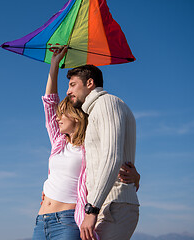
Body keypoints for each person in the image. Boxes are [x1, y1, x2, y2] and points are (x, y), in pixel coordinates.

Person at [32, 47, 140, 240]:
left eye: (62, 114)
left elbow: (109, 159)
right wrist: (54, 64)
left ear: (75, 117)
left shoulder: (87, 149)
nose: (57, 118)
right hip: (41, 220)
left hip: (68, 219)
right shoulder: (58, 142)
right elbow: (49, 102)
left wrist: (135, 175)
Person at [66, 50, 140, 240]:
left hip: (114, 205)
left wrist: (92, 210)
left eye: (73, 84)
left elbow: (111, 157)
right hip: (106, 204)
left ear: (90, 83)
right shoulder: (96, 111)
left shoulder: (106, 103)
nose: (68, 91)